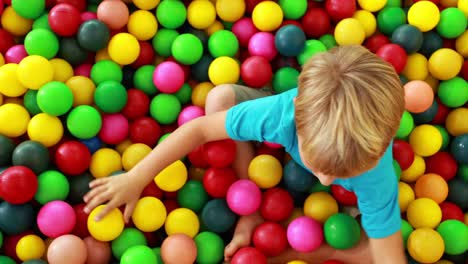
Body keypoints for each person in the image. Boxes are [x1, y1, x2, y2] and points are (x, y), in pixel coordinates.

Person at [83, 45, 407, 264]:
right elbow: (198, 130)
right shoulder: (280, 114)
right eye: (320, 164)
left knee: (369, 251)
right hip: (280, 136)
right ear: (298, 114)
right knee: (220, 97)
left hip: (344, 191)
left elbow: (389, 258)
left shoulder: (376, 176)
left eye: (342, 171)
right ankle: (248, 206)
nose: (324, 179)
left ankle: (285, 252)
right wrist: (136, 177)